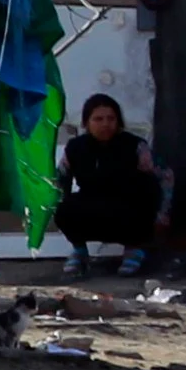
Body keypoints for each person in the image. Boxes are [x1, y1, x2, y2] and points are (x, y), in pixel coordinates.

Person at [51, 96, 161, 274]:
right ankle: (79, 251)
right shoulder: (75, 148)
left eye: (111, 119)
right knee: (64, 209)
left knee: (136, 210)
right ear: (86, 122)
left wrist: (162, 214)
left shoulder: (135, 146)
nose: (105, 124)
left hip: (128, 205)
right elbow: (61, 178)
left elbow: (162, 177)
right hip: (93, 202)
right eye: (98, 119)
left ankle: (135, 249)